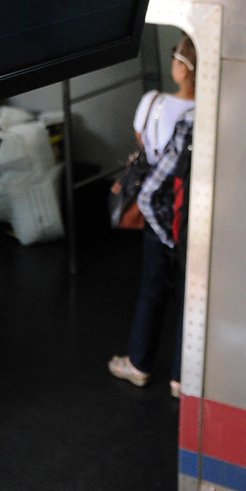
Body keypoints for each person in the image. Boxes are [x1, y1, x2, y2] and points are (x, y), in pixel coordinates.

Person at [109, 36, 197, 396]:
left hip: (158, 214)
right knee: (190, 298)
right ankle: (182, 376)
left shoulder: (153, 102)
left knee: (152, 289)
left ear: (179, 66)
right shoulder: (211, 111)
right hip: (192, 214)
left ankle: (139, 363)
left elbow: (143, 144)